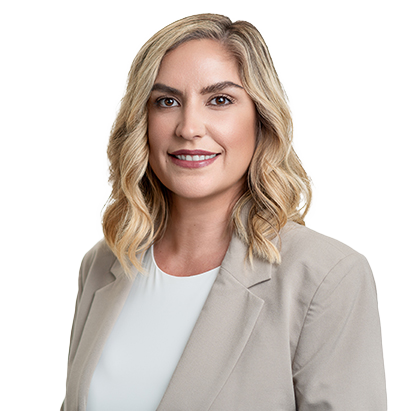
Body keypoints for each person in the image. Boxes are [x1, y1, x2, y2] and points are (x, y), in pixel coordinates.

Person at [61, 13, 387, 411]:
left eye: (219, 100)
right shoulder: (105, 261)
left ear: (261, 119)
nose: (189, 128)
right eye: (167, 101)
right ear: (142, 122)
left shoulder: (326, 276)